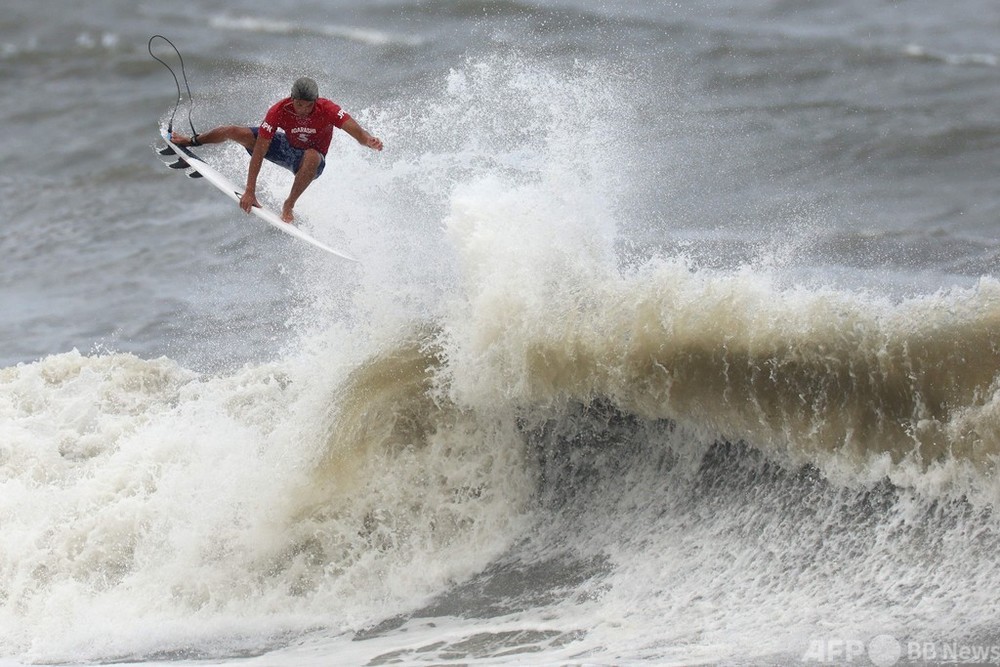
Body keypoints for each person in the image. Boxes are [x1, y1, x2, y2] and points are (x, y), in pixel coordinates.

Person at [171, 76, 383, 223]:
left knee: (310, 155)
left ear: (315, 102)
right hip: (286, 148)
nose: (303, 109)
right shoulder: (278, 111)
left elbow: (353, 129)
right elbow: (261, 150)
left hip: (311, 162)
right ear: (292, 99)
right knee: (233, 130)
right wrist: (250, 191)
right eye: (299, 104)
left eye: (308, 105)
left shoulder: (327, 109)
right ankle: (192, 141)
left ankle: (289, 205)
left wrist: (367, 140)